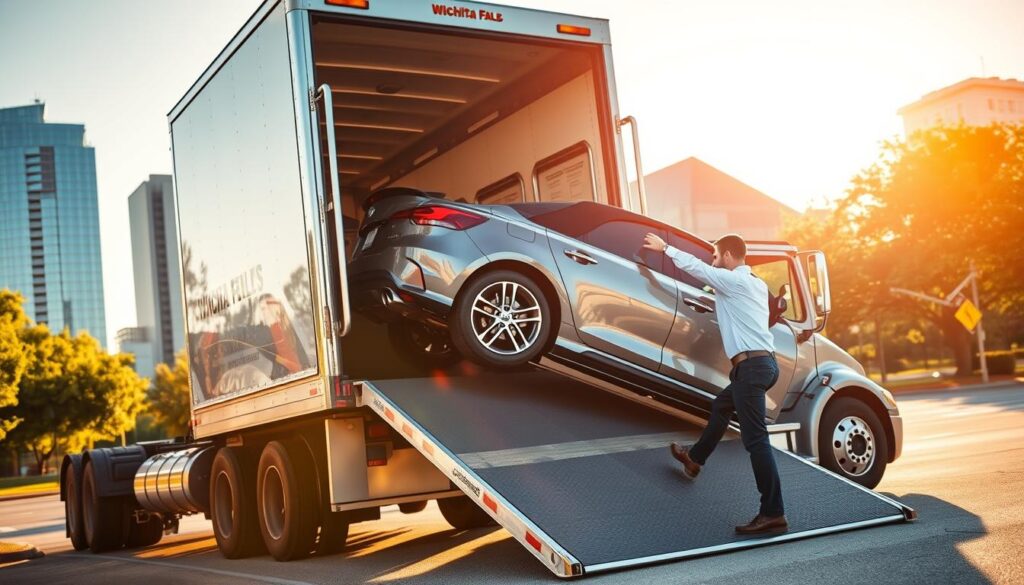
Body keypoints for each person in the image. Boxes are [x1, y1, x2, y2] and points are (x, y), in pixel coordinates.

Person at [642, 232, 787, 535]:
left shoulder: (733, 281)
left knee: (756, 442)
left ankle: (772, 512)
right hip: (760, 365)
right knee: (721, 405)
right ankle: (694, 459)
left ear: (730, 256)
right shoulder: (756, 284)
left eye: (717, 255)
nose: (714, 260)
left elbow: (698, 268)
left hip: (752, 367)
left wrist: (665, 248)